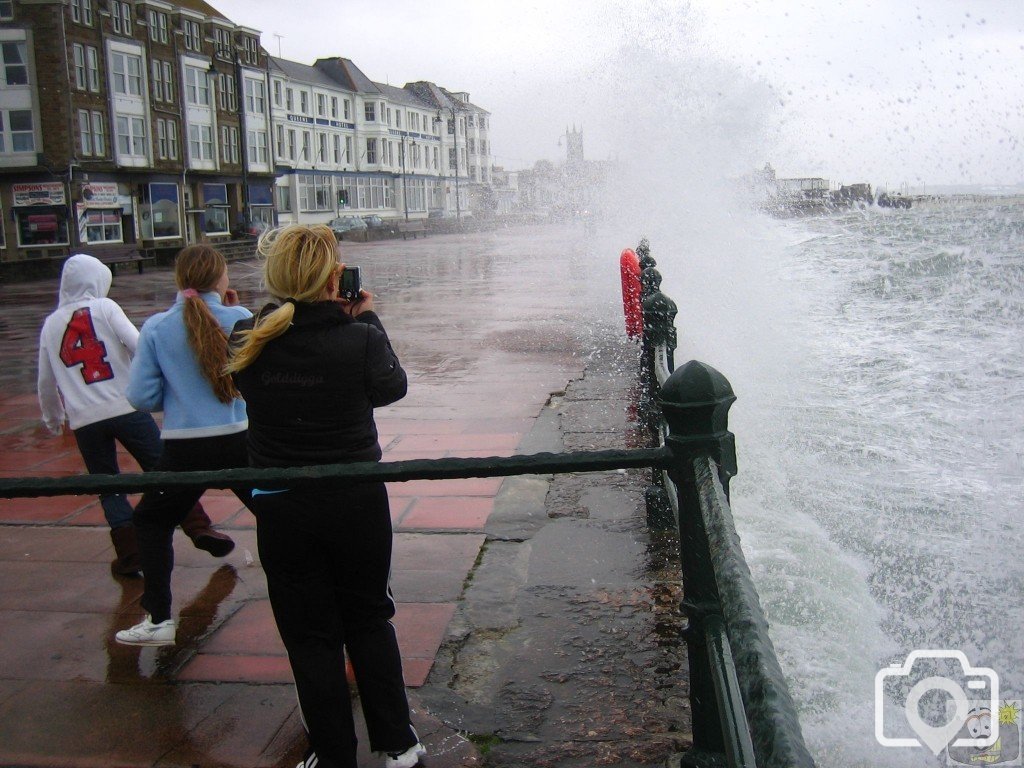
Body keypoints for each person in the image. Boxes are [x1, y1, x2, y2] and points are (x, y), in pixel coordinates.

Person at [227, 224, 425, 768]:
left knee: (310, 636)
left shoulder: (248, 336)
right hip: (355, 499)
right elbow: (391, 387)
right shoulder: (358, 336)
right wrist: (366, 317)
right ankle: (398, 744)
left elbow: (244, 384)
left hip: (282, 502)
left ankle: (333, 753)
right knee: (367, 619)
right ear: (333, 276)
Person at [36, 253, 231, 576]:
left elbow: (45, 379)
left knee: (108, 484)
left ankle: (129, 553)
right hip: (126, 406)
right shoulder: (105, 307)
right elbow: (138, 344)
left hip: (84, 418)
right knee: (163, 470)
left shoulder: (51, 324)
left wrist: (53, 417)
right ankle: (198, 525)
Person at [114, 245, 250, 647]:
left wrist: (178, 397)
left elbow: (139, 397)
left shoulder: (157, 326)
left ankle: (159, 620)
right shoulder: (240, 318)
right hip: (239, 438)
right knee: (281, 515)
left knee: (152, 521)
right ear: (220, 280)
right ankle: (319, 603)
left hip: (184, 448)